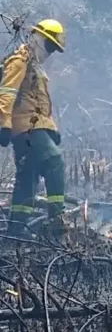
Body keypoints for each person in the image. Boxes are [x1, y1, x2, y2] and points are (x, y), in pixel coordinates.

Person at [0, 18, 66, 239]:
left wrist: (51, 130)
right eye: (49, 45)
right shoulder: (19, 61)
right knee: (54, 162)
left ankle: (16, 232)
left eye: (54, 49)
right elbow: (6, 93)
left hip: (36, 128)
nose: (50, 52)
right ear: (37, 38)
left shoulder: (35, 66)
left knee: (27, 180)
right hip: (28, 129)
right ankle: (57, 219)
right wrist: (4, 123)